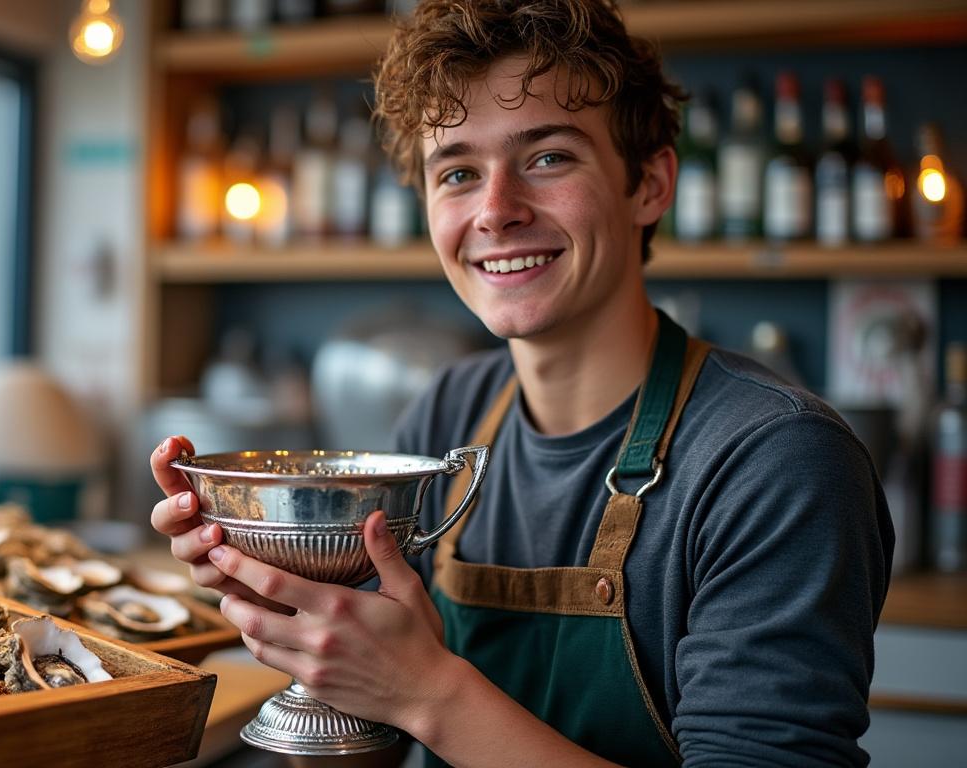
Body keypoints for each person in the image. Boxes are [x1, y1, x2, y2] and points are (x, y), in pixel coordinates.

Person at [150, 1, 894, 765]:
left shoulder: (776, 461)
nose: (496, 212)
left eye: (548, 158)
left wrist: (428, 690)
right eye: (460, 173)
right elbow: (382, 731)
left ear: (651, 183)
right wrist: (289, 595)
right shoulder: (449, 414)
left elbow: (421, 699)